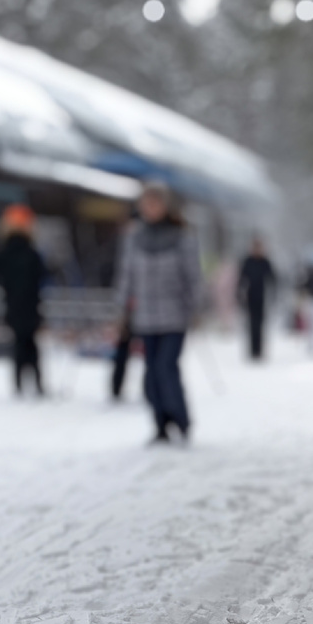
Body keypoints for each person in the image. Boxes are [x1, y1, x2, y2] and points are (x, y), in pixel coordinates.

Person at [115, 183, 202, 445]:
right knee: (151, 371)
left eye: (156, 203)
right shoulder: (133, 238)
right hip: (145, 317)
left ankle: (181, 419)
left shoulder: (182, 237)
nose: (150, 208)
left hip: (174, 315)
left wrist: (195, 308)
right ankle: (160, 424)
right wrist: (120, 311)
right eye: (146, 203)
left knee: (167, 368)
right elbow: (125, 277)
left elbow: (193, 277)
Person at [0, 204, 47, 396]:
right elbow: (43, 276)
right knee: (31, 344)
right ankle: (38, 383)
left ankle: (18, 383)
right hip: (32, 306)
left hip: (12, 305)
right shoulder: (32, 254)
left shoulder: (3, 253)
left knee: (18, 344)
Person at [237, 236, 277, 361]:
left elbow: (273, 279)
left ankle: (259, 351)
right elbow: (241, 279)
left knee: (260, 325)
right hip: (249, 297)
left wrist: (274, 294)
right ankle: (252, 351)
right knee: (251, 325)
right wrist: (239, 294)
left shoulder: (265, 262)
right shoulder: (247, 261)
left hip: (262, 298)